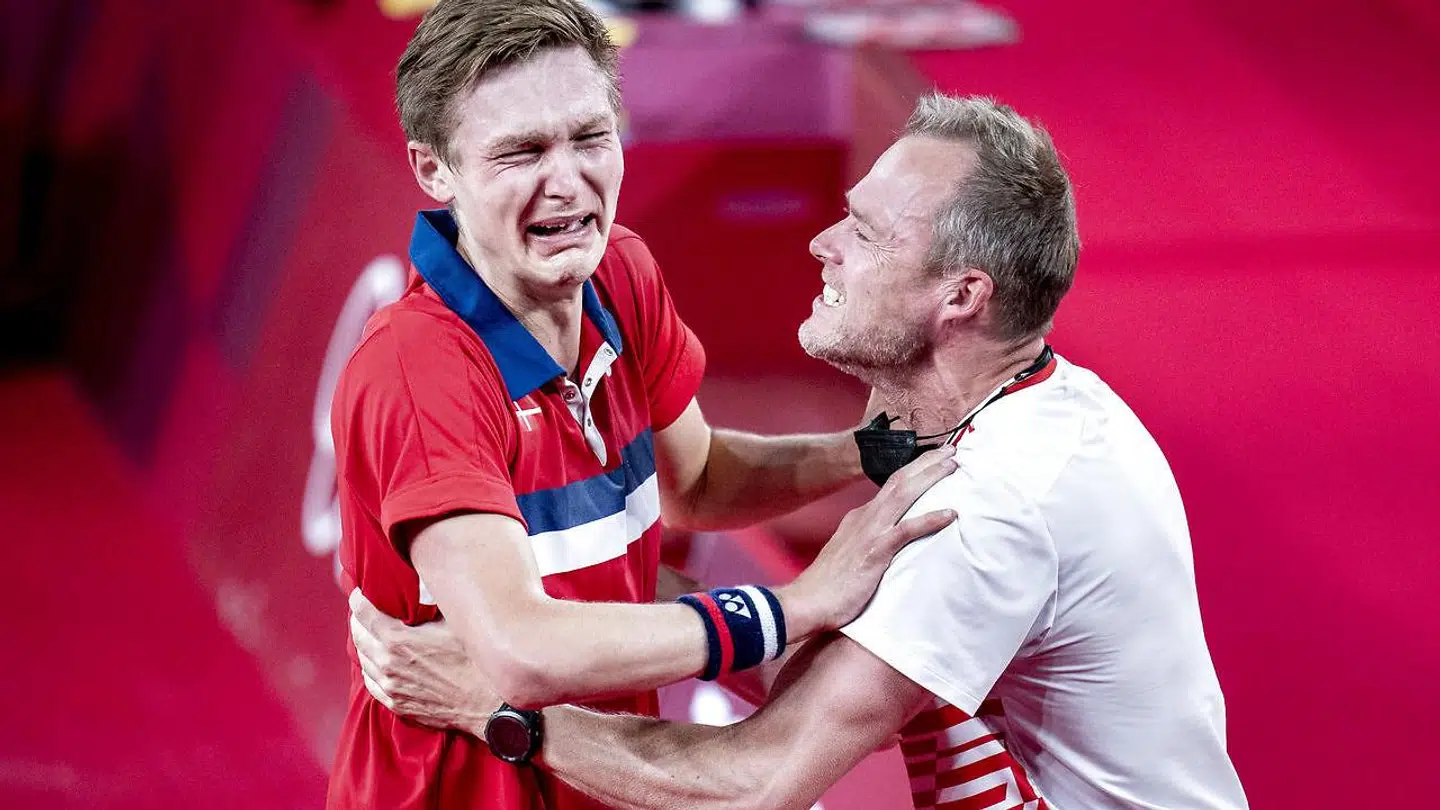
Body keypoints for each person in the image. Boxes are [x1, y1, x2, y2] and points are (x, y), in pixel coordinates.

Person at [352, 94, 1252, 810]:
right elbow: (845, 672)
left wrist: (493, 708)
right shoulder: (1026, 415)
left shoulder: (986, 505)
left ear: (961, 296)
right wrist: (588, 599)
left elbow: (752, 784)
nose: (823, 243)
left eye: (865, 234)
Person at [325, 0, 960, 807]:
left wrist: (861, 452)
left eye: (590, 137)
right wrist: (792, 607)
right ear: (434, 170)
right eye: (521, 151)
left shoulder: (619, 276)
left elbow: (696, 483)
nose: (568, 182)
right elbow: (522, 650)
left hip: (609, 774)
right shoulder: (420, 370)